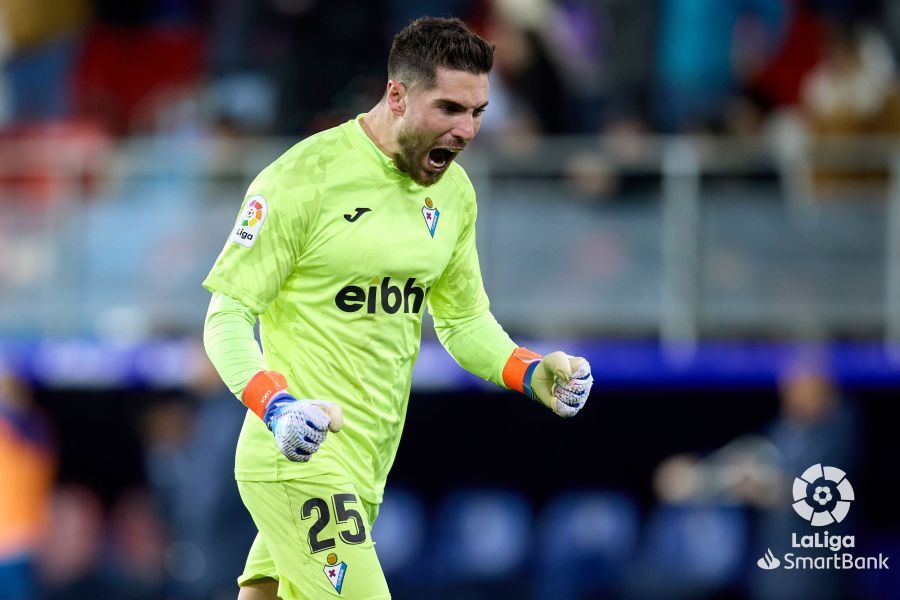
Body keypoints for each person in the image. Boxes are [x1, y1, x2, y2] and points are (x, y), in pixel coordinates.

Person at [202, 16, 593, 600]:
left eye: (478, 112)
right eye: (449, 109)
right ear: (397, 95)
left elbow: (462, 320)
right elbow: (226, 316)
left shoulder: (454, 194)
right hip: (299, 458)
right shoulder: (302, 179)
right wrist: (276, 406)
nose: (465, 131)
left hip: (366, 467)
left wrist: (530, 371)